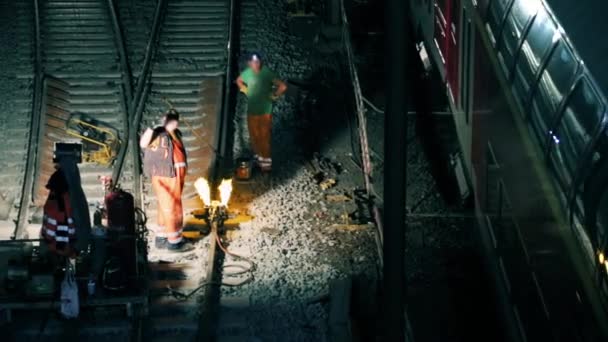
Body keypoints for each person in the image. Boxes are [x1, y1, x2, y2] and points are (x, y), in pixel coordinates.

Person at [140, 110, 193, 253]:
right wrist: (154, 126)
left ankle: (162, 237)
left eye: (175, 119)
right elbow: (143, 143)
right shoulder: (157, 133)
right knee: (172, 207)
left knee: (165, 205)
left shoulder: (174, 132)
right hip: (167, 175)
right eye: (171, 120)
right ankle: (175, 242)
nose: (175, 122)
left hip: (172, 174)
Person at [236, 53, 287, 172]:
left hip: (265, 112)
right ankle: (259, 162)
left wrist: (274, 96)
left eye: (257, 62)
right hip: (252, 112)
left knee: (264, 138)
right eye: (253, 62)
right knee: (254, 137)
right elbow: (239, 81)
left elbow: (283, 86)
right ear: (249, 63)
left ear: (260, 62)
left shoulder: (267, 73)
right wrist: (246, 90)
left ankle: (266, 166)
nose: (255, 64)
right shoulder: (247, 73)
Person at [40, 167, 77, 258]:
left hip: (58, 246)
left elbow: (51, 228)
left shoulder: (56, 202)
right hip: (67, 245)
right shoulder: (68, 198)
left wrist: (47, 239)